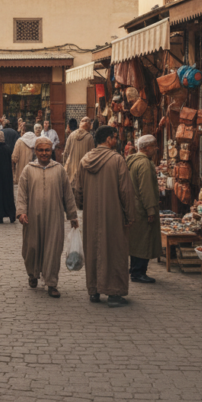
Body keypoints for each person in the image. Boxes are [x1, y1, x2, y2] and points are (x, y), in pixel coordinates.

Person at [74, 126, 138, 307]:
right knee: (114, 250)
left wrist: (82, 205)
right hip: (114, 215)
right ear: (109, 139)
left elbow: (78, 189)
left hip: (91, 215)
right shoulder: (117, 160)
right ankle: (114, 293)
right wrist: (130, 215)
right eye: (114, 138)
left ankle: (93, 290)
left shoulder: (85, 160)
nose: (116, 141)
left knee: (93, 249)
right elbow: (126, 191)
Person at [15, 137, 79, 298]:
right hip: (32, 218)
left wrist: (72, 215)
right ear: (35, 151)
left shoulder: (59, 170)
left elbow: (68, 195)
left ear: (51, 151)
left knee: (53, 249)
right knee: (31, 248)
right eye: (41, 150)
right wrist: (21, 212)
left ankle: (51, 282)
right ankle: (32, 274)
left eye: (47, 150)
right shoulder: (28, 170)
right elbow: (21, 193)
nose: (44, 153)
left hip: (54, 217)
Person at [126, 135, 162, 283]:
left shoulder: (132, 160)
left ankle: (134, 269)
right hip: (141, 207)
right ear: (146, 147)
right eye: (154, 145)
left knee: (136, 240)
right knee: (144, 239)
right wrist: (151, 210)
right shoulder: (145, 164)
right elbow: (146, 189)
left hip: (132, 206)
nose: (156, 148)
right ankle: (138, 272)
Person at [62, 117, 95, 185]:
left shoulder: (71, 135)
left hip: (71, 173)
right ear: (89, 125)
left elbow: (65, 153)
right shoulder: (89, 137)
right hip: (84, 175)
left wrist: (66, 165)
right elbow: (92, 157)